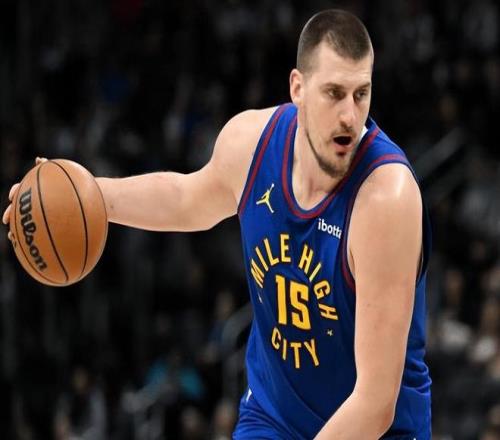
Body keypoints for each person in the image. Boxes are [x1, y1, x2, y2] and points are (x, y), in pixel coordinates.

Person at [3, 9, 432, 440]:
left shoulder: (386, 198)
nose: (349, 116)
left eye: (361, 94)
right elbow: (186, 199)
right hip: (274, 418)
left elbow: (374, 402)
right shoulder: (251, 143)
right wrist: (80, 197)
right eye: (334, 93)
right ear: (298, 88)